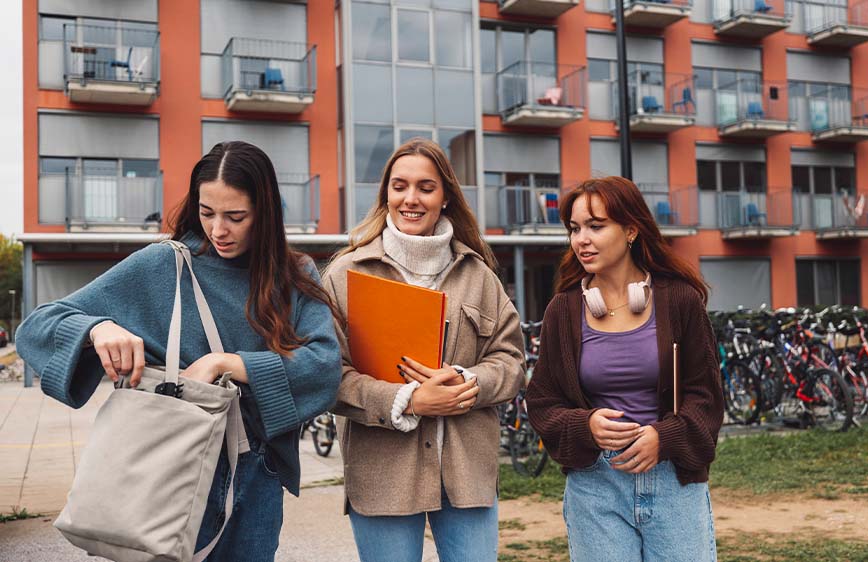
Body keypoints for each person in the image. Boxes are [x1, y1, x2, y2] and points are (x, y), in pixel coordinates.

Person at [16, 141, 342, 561]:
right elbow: (35, 327)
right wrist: (97, 328)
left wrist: (227, 363)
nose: (218, 230)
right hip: (170, 465)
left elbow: (324, 367)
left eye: (236, 216)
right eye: (207, 213)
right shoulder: (161, 265)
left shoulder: (294, 274)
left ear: (266, 212)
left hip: (258, 474)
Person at [322, 138, 525, 562]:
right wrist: (408, 399)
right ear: (386, 194)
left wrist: (469, 383)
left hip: (468, 475)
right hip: (382, 477)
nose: (410, 199)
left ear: (445, 196)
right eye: (399, 186)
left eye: (425, 188)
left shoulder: (479, 276)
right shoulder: (345, 275)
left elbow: (510, 361)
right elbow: (327, 376)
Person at [525, 176, 724, 562]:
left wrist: (662, 438)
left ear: (631, 230)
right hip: (595, 486)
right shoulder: (563, 311)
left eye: (596, 226)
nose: (582, 239)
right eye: (575, 229)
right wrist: (586, 426)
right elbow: (542, 403)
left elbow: (707, 397)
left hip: (673, 482)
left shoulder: (680, 301)